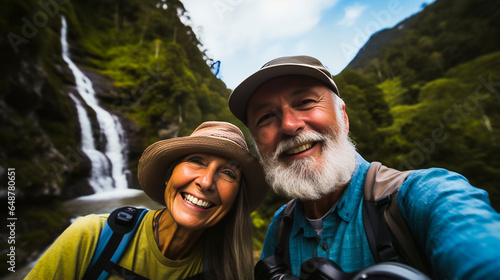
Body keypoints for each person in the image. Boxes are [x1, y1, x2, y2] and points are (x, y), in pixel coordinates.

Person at [228, 55, 500, 279]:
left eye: (306, 102)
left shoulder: (423, 194)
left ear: (343, 118)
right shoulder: (280, 228)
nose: (289, 125)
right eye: (265, 117)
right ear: (257, 146)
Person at [26, 121, 269, 280]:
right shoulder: (90, 235)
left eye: (228, 173)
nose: (206, 182)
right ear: (168, 175)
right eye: (196, 160)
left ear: (236, 198)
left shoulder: (227, 271)